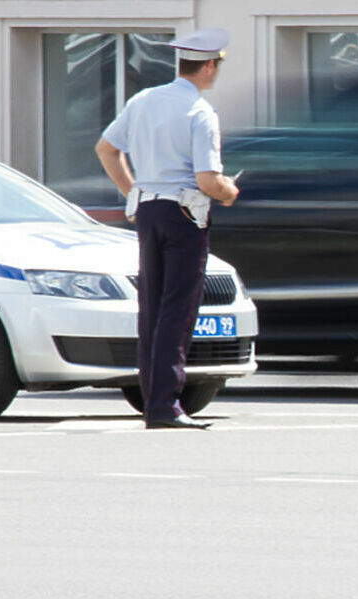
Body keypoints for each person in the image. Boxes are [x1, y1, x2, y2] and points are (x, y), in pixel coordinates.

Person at [95, 28, 240, 430]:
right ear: (209, 66)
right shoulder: (200, 111)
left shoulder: (143, 100)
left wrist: (133, 194)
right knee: (179, 308)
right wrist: (229, 192)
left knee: (153, 309)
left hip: (149, 212)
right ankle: (164, 404)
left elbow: (106, 148)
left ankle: (153, 401)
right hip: (184, 215)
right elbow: (208, 180)